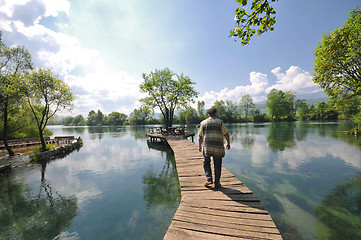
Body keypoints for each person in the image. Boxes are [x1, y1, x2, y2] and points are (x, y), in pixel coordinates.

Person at [198, 107, 230, 189]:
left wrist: (200, 146)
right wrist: (228, 143)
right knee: (217, 164)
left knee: (206, 162)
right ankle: (217, 182)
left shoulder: (203, 123)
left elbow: (200, 136)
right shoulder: (220, 122)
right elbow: (226, 134)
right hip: (218, 147)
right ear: (215, 113)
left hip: (207, 146)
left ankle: (209, 179)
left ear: (208, 114)